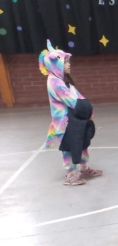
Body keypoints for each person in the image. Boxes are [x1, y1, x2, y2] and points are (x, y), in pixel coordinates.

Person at [39, 40, 103, 186]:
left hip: (74, 119)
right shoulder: (54, 82)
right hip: (64, 123)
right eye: (65, 62)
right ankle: (70, 175)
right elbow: (72, 101)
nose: (69, 64)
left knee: (81, 143)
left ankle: (84, 168)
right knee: (69, 147)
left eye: (68, 62)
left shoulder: (62, 80)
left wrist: (88, 110)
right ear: (55, 65)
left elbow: (78, 96)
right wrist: (86, 111)